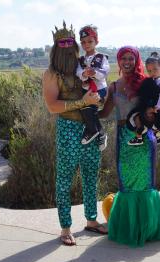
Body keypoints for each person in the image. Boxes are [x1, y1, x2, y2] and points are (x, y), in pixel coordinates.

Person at [42, 21, 108, 246]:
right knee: (65, 179)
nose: (68, 47)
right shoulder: (51, 74)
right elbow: (52, 106)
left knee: (91, 174)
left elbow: (100, 88)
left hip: (90, 127)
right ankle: (65, 228)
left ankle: (91, 220)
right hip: (68, 129)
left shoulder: (84, 66)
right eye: (63, 43)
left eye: (71, 42)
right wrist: (82, 102)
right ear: (56, 47)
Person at [99, 46, 160, 247]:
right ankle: (130, 229)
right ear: (119, 62)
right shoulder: (113, 87)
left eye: (131, 58)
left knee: (145, 183)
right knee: (127, 184)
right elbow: (104, 113)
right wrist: (83, 109)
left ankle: (148, 230)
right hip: (123, 138)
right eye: (124, 58)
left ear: (137, 60)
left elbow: (159, 101)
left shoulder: (145, 83)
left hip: (143, 138)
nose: (127, 62)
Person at [127, 52, 160, 146]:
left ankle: (157, 132)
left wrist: (158, 106)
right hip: (148, 104)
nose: (152, 73)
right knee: (136, 116)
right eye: (149, 71)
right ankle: (140, 136)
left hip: (157, 105)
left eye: (155, 69)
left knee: (157, 119)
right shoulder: (150, 81)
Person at [76, 24, 109, 151]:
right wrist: (84, 74)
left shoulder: (101, 57)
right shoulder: (81, 59)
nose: (87, 44)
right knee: (86, 109)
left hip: (99, 88)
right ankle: (100, 134)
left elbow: (105, 71)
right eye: (83, 42)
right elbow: (78, 72)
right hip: (86, 88)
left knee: (89, 108)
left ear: (96, 41)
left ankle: (92, 130)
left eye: (90, 41)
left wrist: (95, 73)